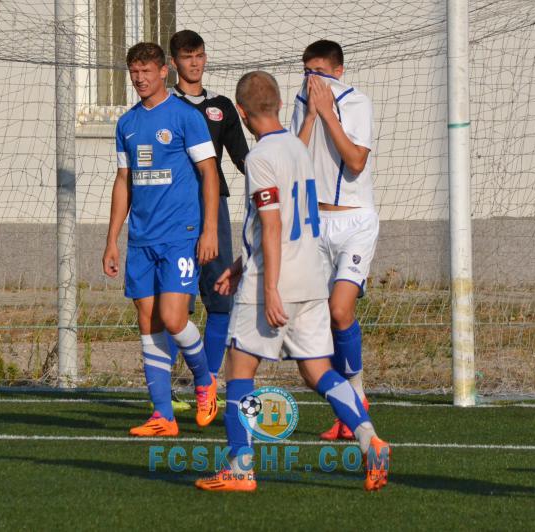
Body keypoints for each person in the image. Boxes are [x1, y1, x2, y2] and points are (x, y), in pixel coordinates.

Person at [194, 71, 389, 492]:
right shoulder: (300, 149)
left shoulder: (259, 158)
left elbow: (272, 225)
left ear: (241, 112)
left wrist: (268, 288)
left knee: (239, 368)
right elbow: (288, 220)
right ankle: (368, 437)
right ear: (280, 104)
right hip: (312, 278)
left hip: (274, 280)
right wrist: (240, 264)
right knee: (317, 370)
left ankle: (240, 467)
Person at [103, 42, 220, 436]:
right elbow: (124, 181)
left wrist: (209, 230)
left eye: (146, 72)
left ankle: (204, 379)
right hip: (141, 240)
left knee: (173, 318)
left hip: (180, 235)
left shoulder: (186, 117)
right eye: (134, 72)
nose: (139, 79)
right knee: (148, 322)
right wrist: (112, 239)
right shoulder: (127, 124)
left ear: (163, 72)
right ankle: (163, 416)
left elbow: (209, 173)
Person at [291, 40, 376, 440]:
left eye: (321, 73)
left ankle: (356, 395)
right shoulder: (301, 102)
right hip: (316, 222)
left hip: (355, 221)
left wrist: (327, 114)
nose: (313, 80)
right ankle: (347, 409)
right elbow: (293, 159)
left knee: (341, 310)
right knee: (321, 319)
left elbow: (356, 161)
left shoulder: (356, 103)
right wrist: (311, 115)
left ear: (338, 72)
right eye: (308, 72)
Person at [165, 29, 249, 395]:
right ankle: (168, 388)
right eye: (187, 57)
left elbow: (244, 159)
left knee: (220, 296)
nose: (195, 63)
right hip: (174, 212)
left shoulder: (222, 106)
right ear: (173, 63)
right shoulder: (164, 107)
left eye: (199, 55)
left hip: (215, 208)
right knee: (174, 302)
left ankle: (209, 382)